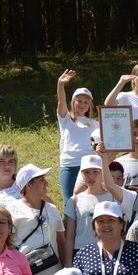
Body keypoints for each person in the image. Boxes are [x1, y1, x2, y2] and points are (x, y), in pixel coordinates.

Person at [8, 163, 65, 275]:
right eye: (40, 180)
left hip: (51, 273)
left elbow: (61, 241)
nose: (46, 183)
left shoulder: (52, 209)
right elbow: (7, 243)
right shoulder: (12, 209)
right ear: (28, 185)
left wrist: (65, 269)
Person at [55, 70, 96, 200]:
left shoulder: (95, 124)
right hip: (69, 165)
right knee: (69, 201)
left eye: (86, 102)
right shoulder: (66, 118)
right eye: (79, 101)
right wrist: (60, 84)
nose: (82, 104)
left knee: (87, 200)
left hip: (88, 165)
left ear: (90, 105)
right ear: (73, 102)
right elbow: (61, 102)